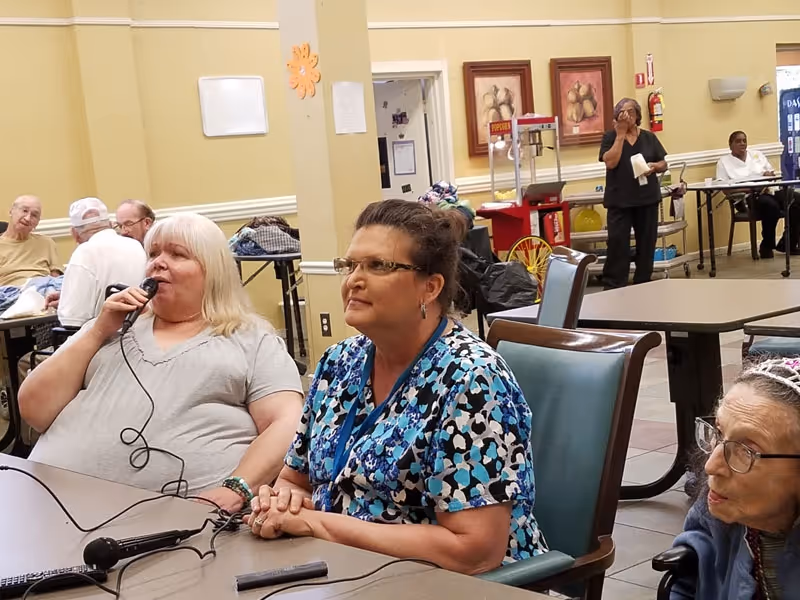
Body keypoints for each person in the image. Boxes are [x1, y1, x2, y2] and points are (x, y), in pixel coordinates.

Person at [245, 199, 546, 574]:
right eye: (350, 265)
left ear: (430, 287)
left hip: (451, 584)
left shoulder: (471, 379)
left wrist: (318, 524)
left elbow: (474, 551)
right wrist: (284, 500)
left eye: (378, 266)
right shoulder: (339, 363)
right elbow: (296, 478)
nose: (354, 279)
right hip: (344, 568)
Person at [19, 213, 304, 512]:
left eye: (177, 254)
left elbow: (286, 423)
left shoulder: (252, 339)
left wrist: (236, 487)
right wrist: (98, 330)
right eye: (153, 253)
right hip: (49, 504)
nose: (158, 262)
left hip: (177, 527)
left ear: (214, 270)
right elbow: (35, 410)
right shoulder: (109, 325)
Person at [669, 359, 800, 599]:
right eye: (718, 433)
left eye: (746, 450)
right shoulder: (716, 513)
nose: (710, 466)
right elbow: (688, 580)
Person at [599, 98, 668, 290]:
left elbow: (663, 163)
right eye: (622, 112)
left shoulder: (648, 137)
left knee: (646, 245)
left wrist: (655, 167)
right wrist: (620, 135)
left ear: (637, 115)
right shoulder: (610, 137)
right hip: (619, 201)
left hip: (647, 200)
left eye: (630, 111)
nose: (626, 115)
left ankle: (643, 284)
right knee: (617, 244)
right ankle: (614, 286)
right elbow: (610, 162)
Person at [54, 197, 147, 327]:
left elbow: (72, 320)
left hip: (103, 340)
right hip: (139, 332)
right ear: (109, 224)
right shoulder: (136, 246)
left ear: (75, 233)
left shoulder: (84, 252)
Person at [716, 131, 800, 258]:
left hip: (769, 190)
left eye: (744, 140)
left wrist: (769, 175)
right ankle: (766, 245)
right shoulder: (724, 162)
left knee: (796, 199)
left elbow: (772, 174)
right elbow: (725, 189)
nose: (742, 143)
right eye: (738, 141)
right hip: (747, 198)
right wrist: (747, 189)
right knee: (771, 205)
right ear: (730, 145)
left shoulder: (756, 155)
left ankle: (788, 243)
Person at [0, 195, 60, 287]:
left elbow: (56, 279)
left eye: (34, 215)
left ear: (37, 222)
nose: (28, 218)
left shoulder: (46, 243)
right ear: (11, 211)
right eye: (24, 211)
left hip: (44, 292)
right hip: (10, 295)